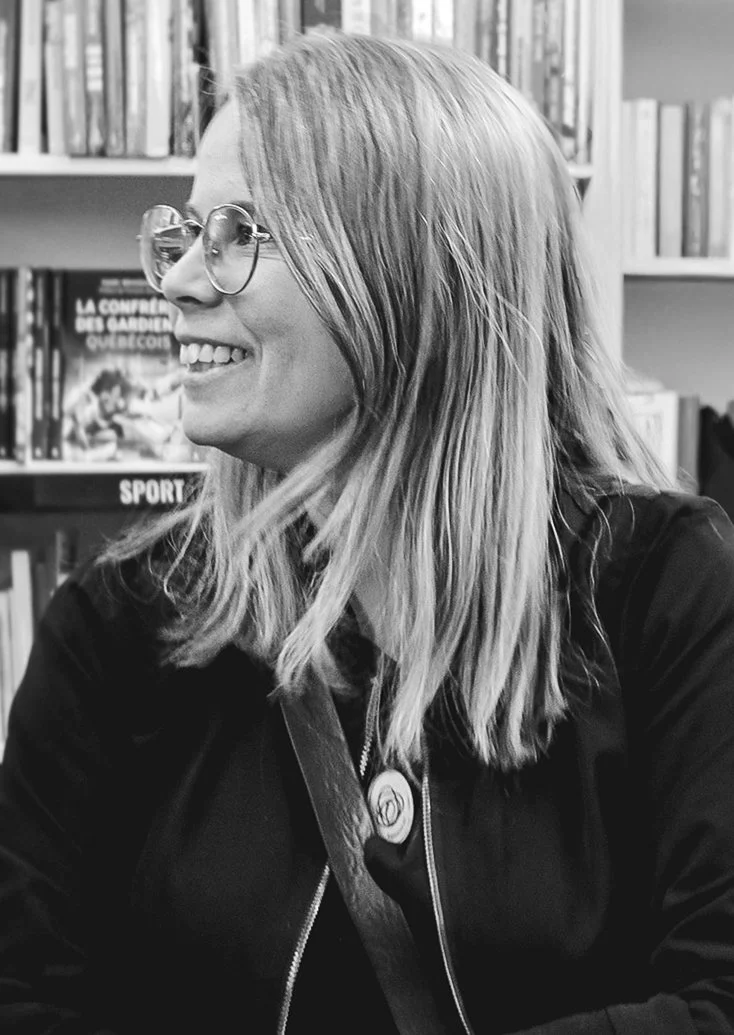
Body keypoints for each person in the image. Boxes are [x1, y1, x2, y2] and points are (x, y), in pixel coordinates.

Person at [2, 31, 734, 1035]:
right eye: (183, 232)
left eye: (240, 233)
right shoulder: (122, 622)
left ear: (410, 276)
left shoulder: (661, 589)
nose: (177, 280)